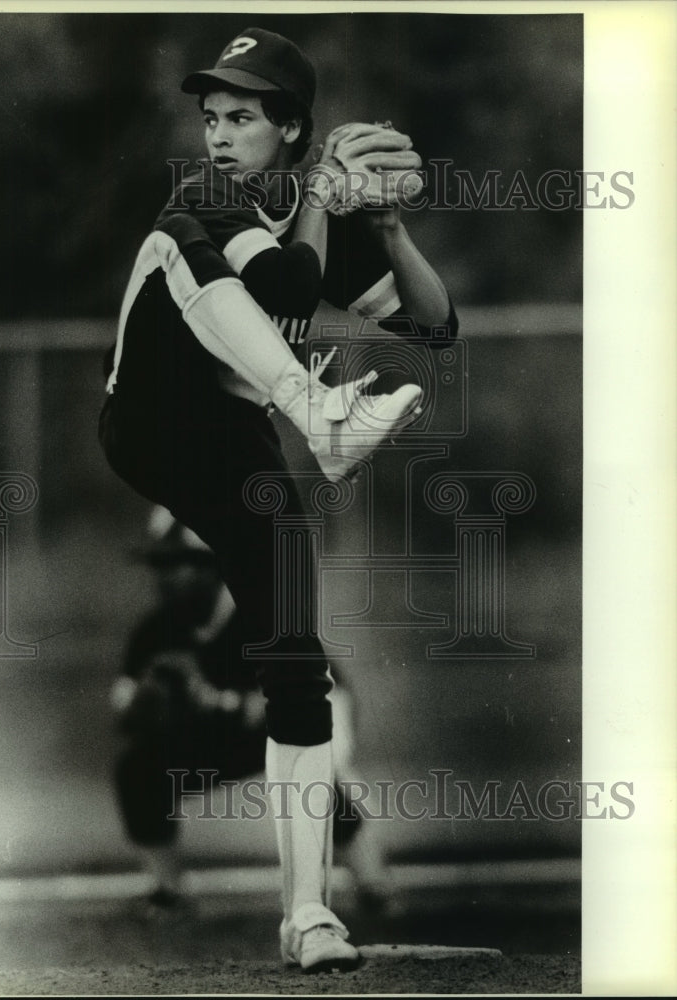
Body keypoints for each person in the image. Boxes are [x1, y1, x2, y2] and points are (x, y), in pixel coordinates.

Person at [99, 26, 457, 972]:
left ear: (293, 127)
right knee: (171, 238)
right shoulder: (207, 199)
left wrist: (384, 229)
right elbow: (291, 282)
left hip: (237, 451)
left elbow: (432, 325)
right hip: (146, 423)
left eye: (244, 117)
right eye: (212, 116)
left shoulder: (316, 217)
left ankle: (309, 917)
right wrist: (325, 211)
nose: (219, 134)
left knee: (296, 676)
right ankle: (323, 415)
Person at [110, 506, 390, 917]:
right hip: (228, 730)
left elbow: (288, 703)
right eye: (157, 564)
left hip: (316, 710)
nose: (161, 577)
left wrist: (210, 699)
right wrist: (139, 706)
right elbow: (123, 705)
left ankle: (373, 882)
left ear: (212, 566)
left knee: (317, 771)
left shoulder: (261, 618)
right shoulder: (156, 628)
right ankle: (167, 890)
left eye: (174, 563)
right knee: (136, 767)